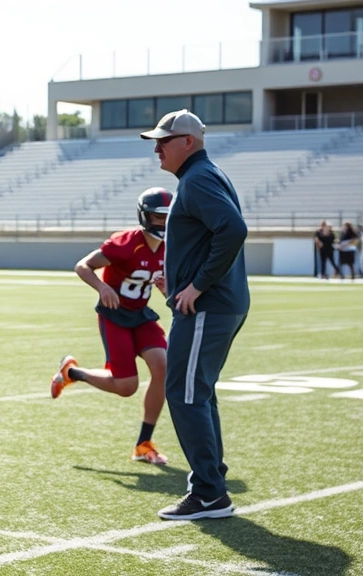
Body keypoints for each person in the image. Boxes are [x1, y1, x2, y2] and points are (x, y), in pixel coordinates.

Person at [139, 109, 249, 521]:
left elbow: (233, 229)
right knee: (196, 392)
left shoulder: (199, 178)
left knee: (184, 394)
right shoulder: (203, 175)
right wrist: (185, 279)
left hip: (209, 305)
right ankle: (211, 484)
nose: (157, 148)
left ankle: (208, 492)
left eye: (164, 141)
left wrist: (197, 285)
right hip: (216, 303)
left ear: (188, 142)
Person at [51, 187, 173, 466]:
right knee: (126, 386)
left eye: (169, 217)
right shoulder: (126, 243)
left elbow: (166, 283)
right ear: (144, 217)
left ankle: (144, 444)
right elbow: (83, 266)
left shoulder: (172, 246)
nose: (164, 224)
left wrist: (168, 292)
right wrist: (102, 287)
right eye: (157, 217)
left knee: (163, 366)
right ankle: (72, 373)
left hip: (141, 314)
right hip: (115, 315)